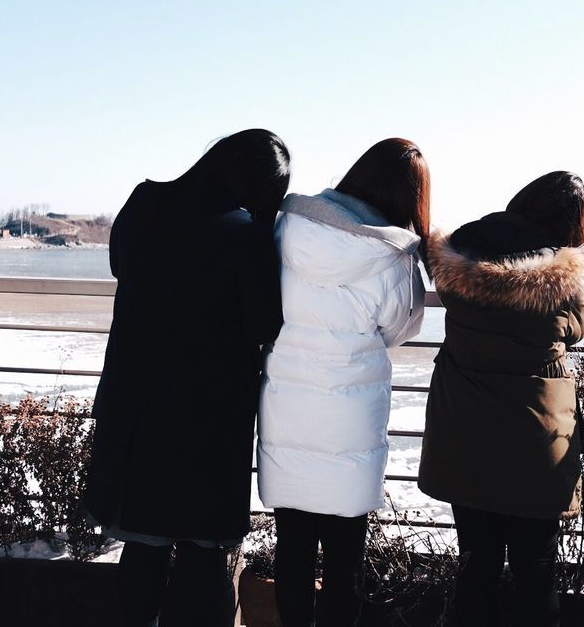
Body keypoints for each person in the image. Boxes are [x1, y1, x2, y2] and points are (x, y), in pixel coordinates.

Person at [84, 129, 291, 627]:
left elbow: (121, 266)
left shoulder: (145, 202)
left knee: (143, 547)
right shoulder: (248, 237)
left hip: (136, 406)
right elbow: (266, 324)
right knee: (204, 557)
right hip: (209, 418)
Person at [257, 138, 430, 627]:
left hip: (287, 404)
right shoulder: (393, 253)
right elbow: (402, 327)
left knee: (291, 547)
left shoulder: (292, 225)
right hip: (349, 418)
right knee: (343, 559)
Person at [417, 171, 584, 627]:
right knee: (536, 572)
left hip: (464, 430)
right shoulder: (562, 273)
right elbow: (576, 329)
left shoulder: (461, 250)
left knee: (477, 564)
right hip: (534, 440)